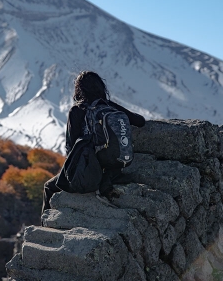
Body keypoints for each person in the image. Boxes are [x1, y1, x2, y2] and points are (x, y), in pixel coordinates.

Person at [42, 71, 146, 214]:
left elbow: (71, 148)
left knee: (49, 186)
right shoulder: (109, 106)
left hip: (89, 169)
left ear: (79, 89)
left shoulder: (77, 110)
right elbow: (140, 121)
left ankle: (46, 226)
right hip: (114, 168)